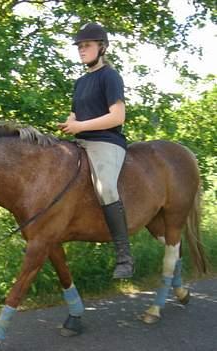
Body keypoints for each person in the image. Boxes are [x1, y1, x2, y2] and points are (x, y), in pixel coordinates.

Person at [58, 23, 133, 279]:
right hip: (79, 142)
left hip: (105, 142)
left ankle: (124, 255)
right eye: (79, 46)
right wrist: (68, 125)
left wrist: (80, 126)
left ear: (101, 47)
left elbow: (117, 116)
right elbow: (74, 115)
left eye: (86, 45)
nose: (81, 50)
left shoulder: (110, 76)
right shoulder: (79, 82)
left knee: (106, 188)